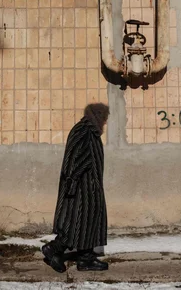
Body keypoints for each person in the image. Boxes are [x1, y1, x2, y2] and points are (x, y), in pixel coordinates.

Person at [42, 103, 109, 272]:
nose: (105, 122)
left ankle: (85, 259)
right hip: (82, 187)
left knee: (86, 222)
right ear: (97, 116)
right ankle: (55, 248)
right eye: (104, 118)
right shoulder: (84, 131)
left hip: (88, 186)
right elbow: (78, 158)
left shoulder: (88, 131)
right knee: (78, 221)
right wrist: (73, 181)